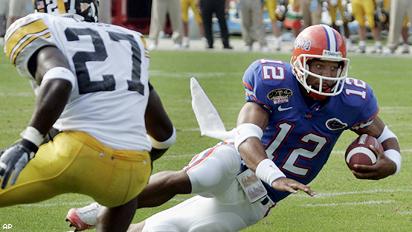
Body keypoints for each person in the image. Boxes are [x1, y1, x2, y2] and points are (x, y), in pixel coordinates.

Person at [66, 24, 401, 232]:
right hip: (241, 161)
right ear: (300, 62)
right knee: (198, 177)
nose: (327, 75)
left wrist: (391, 163)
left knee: (180, 230)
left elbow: (385, 137)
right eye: (320, 66)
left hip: (261, 197)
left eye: (334, 67)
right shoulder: (273, 81)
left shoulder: (353, 100)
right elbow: (245, 137)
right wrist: (274, 173)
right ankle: (102, 208)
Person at [0, 0, 176, 231]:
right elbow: (165, 135)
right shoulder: (129, 39)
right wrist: (130, 159)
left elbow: (60, 78)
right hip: (134, 168)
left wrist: (27, 144)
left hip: (77, 153)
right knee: (126, 193)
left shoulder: (37, 26)